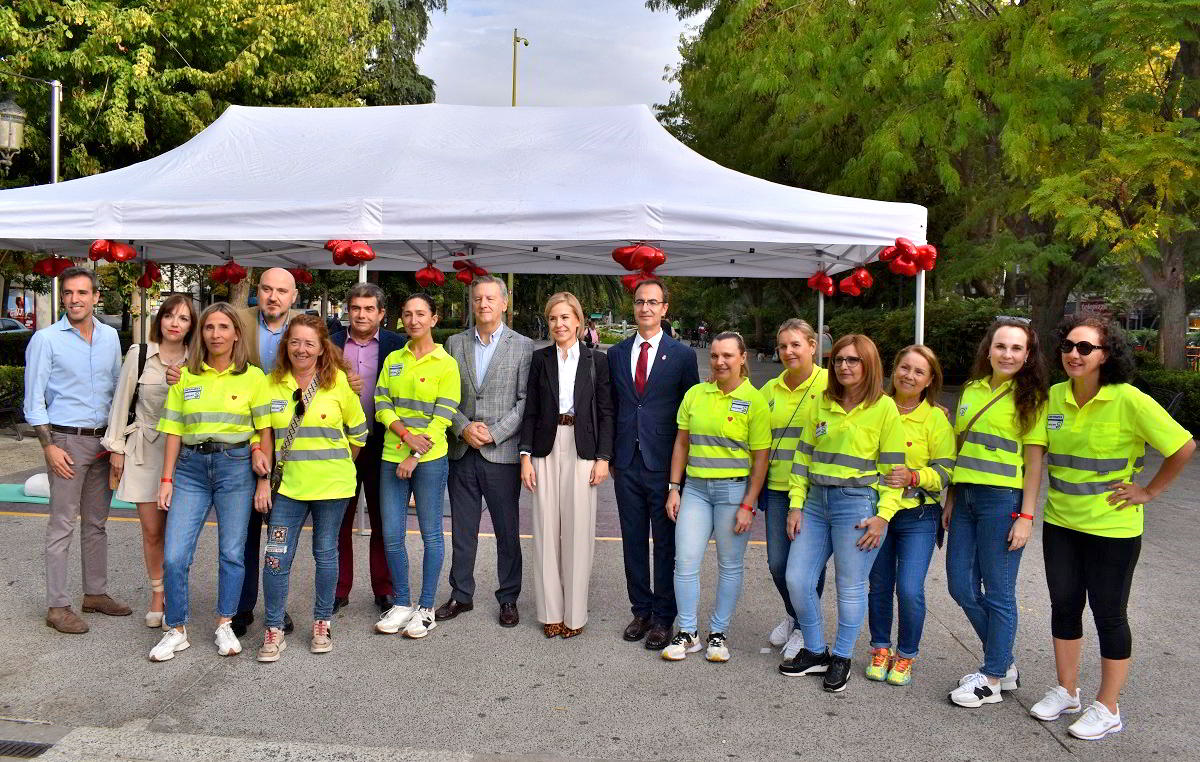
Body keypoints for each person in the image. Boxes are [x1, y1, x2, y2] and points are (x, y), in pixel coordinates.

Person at [1028, 316, 1194, 740]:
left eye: (1086, 348)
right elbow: (1035, 453)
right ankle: (1067, 691)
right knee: (1064, 607)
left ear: (1106, 355)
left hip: (1113, 530)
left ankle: (1108, 707)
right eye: (1068, 345)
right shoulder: (1055, 397)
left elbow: (1183, 446)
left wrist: (1149, 491)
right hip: (1061, 523)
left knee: (1109, 614)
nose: (1074, 354)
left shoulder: (1129, 399)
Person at [169, 268, 300, 636]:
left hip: (292, 442)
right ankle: (240, 609)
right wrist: (178, 372)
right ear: (258, 291)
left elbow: (323, 364)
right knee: (244, 537)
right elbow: (203, 348)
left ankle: (276, 608)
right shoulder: (239, 321)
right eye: (267, 289)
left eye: (282, 291)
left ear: (293, 296)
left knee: (280, 534)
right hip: (251, 444)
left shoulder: (304, 327)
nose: (273, 296)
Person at [779, 334, 905, 693]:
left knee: (849, 587)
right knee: (797, 579)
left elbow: (893, 470)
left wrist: (883, 516)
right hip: (815, 503)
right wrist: (796, 504)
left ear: (869, 364)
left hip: (857, 505)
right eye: (838, 360)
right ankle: (816, 650)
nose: (844, 366)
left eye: (853, 360)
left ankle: (842, 657)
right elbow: (802, 457)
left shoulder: (885, 408)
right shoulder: (821, 402)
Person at [150, 302, 265, 661]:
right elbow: (173, 430)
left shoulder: (254, 377)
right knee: (174, 555)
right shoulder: (185, 376)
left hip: (236, 468)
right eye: (210, 327)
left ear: (236, 334)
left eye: (224, 327)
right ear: (201, 333)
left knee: (232, 552)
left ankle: (224, 623)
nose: (216, 334)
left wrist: (262, 471)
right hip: (190, 469)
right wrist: (166, 479)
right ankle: (175, 629)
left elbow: (263, 429)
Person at [944, 317, 1048, 708]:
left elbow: (1034, 465)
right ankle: (1004, 663)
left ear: (1028, 355)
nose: (1007, 354)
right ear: (988, 350)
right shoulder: (971, 389)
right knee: (960, 586)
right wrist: (951, 499)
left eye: (1016, 348)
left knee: (999, 592)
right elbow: (961, 449)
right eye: (1001, 346)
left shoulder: (1031, 398)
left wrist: (1026, 517)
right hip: (965, 498)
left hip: (1003, 501)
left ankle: (991, 678)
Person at [251, 315, 368, 661]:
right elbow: (263, 435)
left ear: (321, 349)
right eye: (295, 342)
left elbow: (359, 433)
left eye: (309, 343)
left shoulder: (338, 384)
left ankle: (322, 622)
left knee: (326, 553)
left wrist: (340, 464)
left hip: (332, 488)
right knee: (276, 557)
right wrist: (262, 476)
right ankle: (274, 628)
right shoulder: (270, 384)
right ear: (286, 345)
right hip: (287, 489)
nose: (301, 349)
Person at [24, 267, 128, 634]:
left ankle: (95, 594)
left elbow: (117, 391)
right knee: (62, 525)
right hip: (66, 442)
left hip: (103, 443)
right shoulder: (46, 339)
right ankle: (57, 607)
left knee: (97, 523)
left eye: (82, 292)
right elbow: (33, 400)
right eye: (68, 293)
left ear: (96, 297)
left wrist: (118, 443)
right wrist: (49, 447)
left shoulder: (110, 337)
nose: (74, 299)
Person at [662, 332, 769, 662]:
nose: (720, 362)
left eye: (727, 356)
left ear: (742, 358)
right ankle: (688, 632)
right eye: (715, 355)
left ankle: (718, 634)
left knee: (730, 565)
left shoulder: (754, 401)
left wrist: (748, 504)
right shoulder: (696, 394)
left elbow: (761, 459)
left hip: (734, 492)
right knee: (685, 562)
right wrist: (674, 488)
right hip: (695, 489)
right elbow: (682, 443)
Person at [608, 278, 700, 650]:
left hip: (664, 464)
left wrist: (683, 472)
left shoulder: (682, 356)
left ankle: (664, 617)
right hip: (626, 462)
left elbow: (689, 415)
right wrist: (609, 456)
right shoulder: (616, 353)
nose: (645, 308)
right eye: (639, 301)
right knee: (632, 540)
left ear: (664, 308)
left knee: (665, 544)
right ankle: (641, 611)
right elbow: (611, 407)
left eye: (652, 302)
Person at [437, 276, 533, 628]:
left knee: (507, 531)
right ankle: (461, 594)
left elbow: (525, 401)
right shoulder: (454, 343)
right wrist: (462, 426)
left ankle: (508, 597)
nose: (484, 304)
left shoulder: (523, 346)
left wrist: (494, 433)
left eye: (491, 298)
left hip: (501, 454)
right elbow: (445, 395)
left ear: (504, 303)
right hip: (462, 451)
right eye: (478, 298)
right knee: (463, 530)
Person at [519, 292, 614, 638]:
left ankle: (575, 614)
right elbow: (530, 409)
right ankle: (550, 612)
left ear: (578, 321)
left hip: (582, 447)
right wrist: (525, 456)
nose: (558, 324)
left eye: (564, 317)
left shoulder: (596, 360)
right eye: (553, 318)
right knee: (545, 530)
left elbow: (607, 412)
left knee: (578, 531)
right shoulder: (539, 359)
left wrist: (603, 458)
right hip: (545, 446)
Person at [104, 294, 197, 628]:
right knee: (153, 530)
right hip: (144, 449)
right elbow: (121, 401)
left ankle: (176, 592)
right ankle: (158, 594)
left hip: (184, 455)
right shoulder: (140, 353)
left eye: (184, 318)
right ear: (160, 319)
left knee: (179, 534)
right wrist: (116, 448)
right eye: (170, 315)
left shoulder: (198, 358)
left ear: (191, 325)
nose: (175, 323)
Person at [865, 345, 955, 686]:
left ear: (930, 380)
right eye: (905, 367)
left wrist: (915, 476)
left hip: (919, 514)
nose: (910, 376)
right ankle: (880, 648)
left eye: (919, 371)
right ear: (894, 369)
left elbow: (946, 470)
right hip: (877, 511)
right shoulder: (875, 407)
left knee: (909, 588)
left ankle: (906, 654)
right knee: (879, 585)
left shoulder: (936, 418)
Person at [374, 294, 461, 637]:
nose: (413, 320)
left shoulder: (446, 364)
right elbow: (382, 402)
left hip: (429, 460)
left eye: (421, 314)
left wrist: (415, 454)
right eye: (408, 314)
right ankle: (402, 603)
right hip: (391, 454)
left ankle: (425, 608)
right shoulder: (394, 359)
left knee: (431, 534)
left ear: (434, 319)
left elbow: (443, 417)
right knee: (392, 534)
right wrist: (405, 436)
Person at [330, 283, 405, 616]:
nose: (361, 314)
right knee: (338, 521)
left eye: (369, 308)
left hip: (382, 443)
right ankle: (338, 588)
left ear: (381, 313)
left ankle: (384, 589)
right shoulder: (330, 344)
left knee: (383, 520)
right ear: (348, 310)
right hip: (339, 444)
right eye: (356, 308)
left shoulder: (397, 346)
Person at [758, 319, 828, 660]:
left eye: (796, 344)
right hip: (776, 488)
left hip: (814, 492)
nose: (788, 351)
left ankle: (804, 628)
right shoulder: (769, 389)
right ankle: (795, 615)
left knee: (806, 567)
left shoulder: (830, 383)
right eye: (783, 346)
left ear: (812, 346)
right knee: (777, 564)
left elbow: (872, 406)